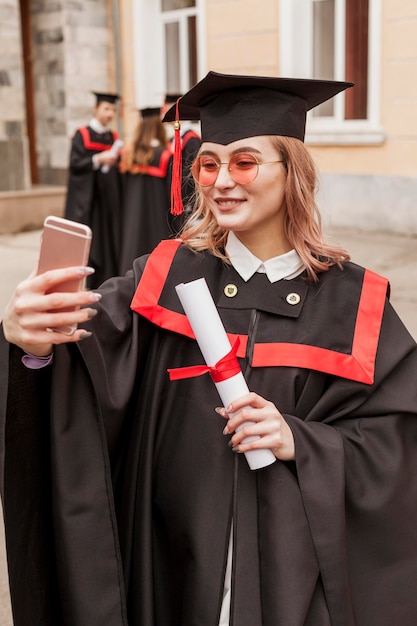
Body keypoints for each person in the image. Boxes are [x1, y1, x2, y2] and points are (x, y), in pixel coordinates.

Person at [1, 70, 417, 626]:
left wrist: (303, 441)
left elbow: (396, 446)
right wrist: (32, 342)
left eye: (245, 162)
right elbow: (79, 368)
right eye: (209, 162)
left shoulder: (353, 300)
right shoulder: (162, 277)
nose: (223, 180)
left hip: (291, 577)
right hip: (172, 561)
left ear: (294, 172)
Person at [64, 91, 123, 288]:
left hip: (107, 201)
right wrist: (98, 159)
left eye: (113, 110)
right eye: (106, 109)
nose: (110, 114)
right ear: (95, 109)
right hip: (88, 201)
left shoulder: (112, 136)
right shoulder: (82, 135)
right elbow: (75, 164)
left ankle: (104, 281)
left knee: (106, 242)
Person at [118, 107, 174, 275]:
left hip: (132, 219)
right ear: (159, 127)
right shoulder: (165, 155)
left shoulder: (129, 154)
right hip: (158, 219)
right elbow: (172, 194)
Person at [162, 92, 201, 215]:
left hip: (186, 203)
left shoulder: (192, 140)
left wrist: (186, 200)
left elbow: (191, 173)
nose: (164, 113)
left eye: (167, 109)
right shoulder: (173, 139)